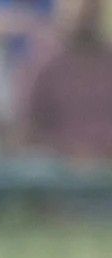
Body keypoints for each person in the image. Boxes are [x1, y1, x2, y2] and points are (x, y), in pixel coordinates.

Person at [14, 0, 112, 164]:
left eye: (90, 8)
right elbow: (26, 130)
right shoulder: (43, 64)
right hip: (59, 175)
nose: (84, 15)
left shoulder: (107, 63)